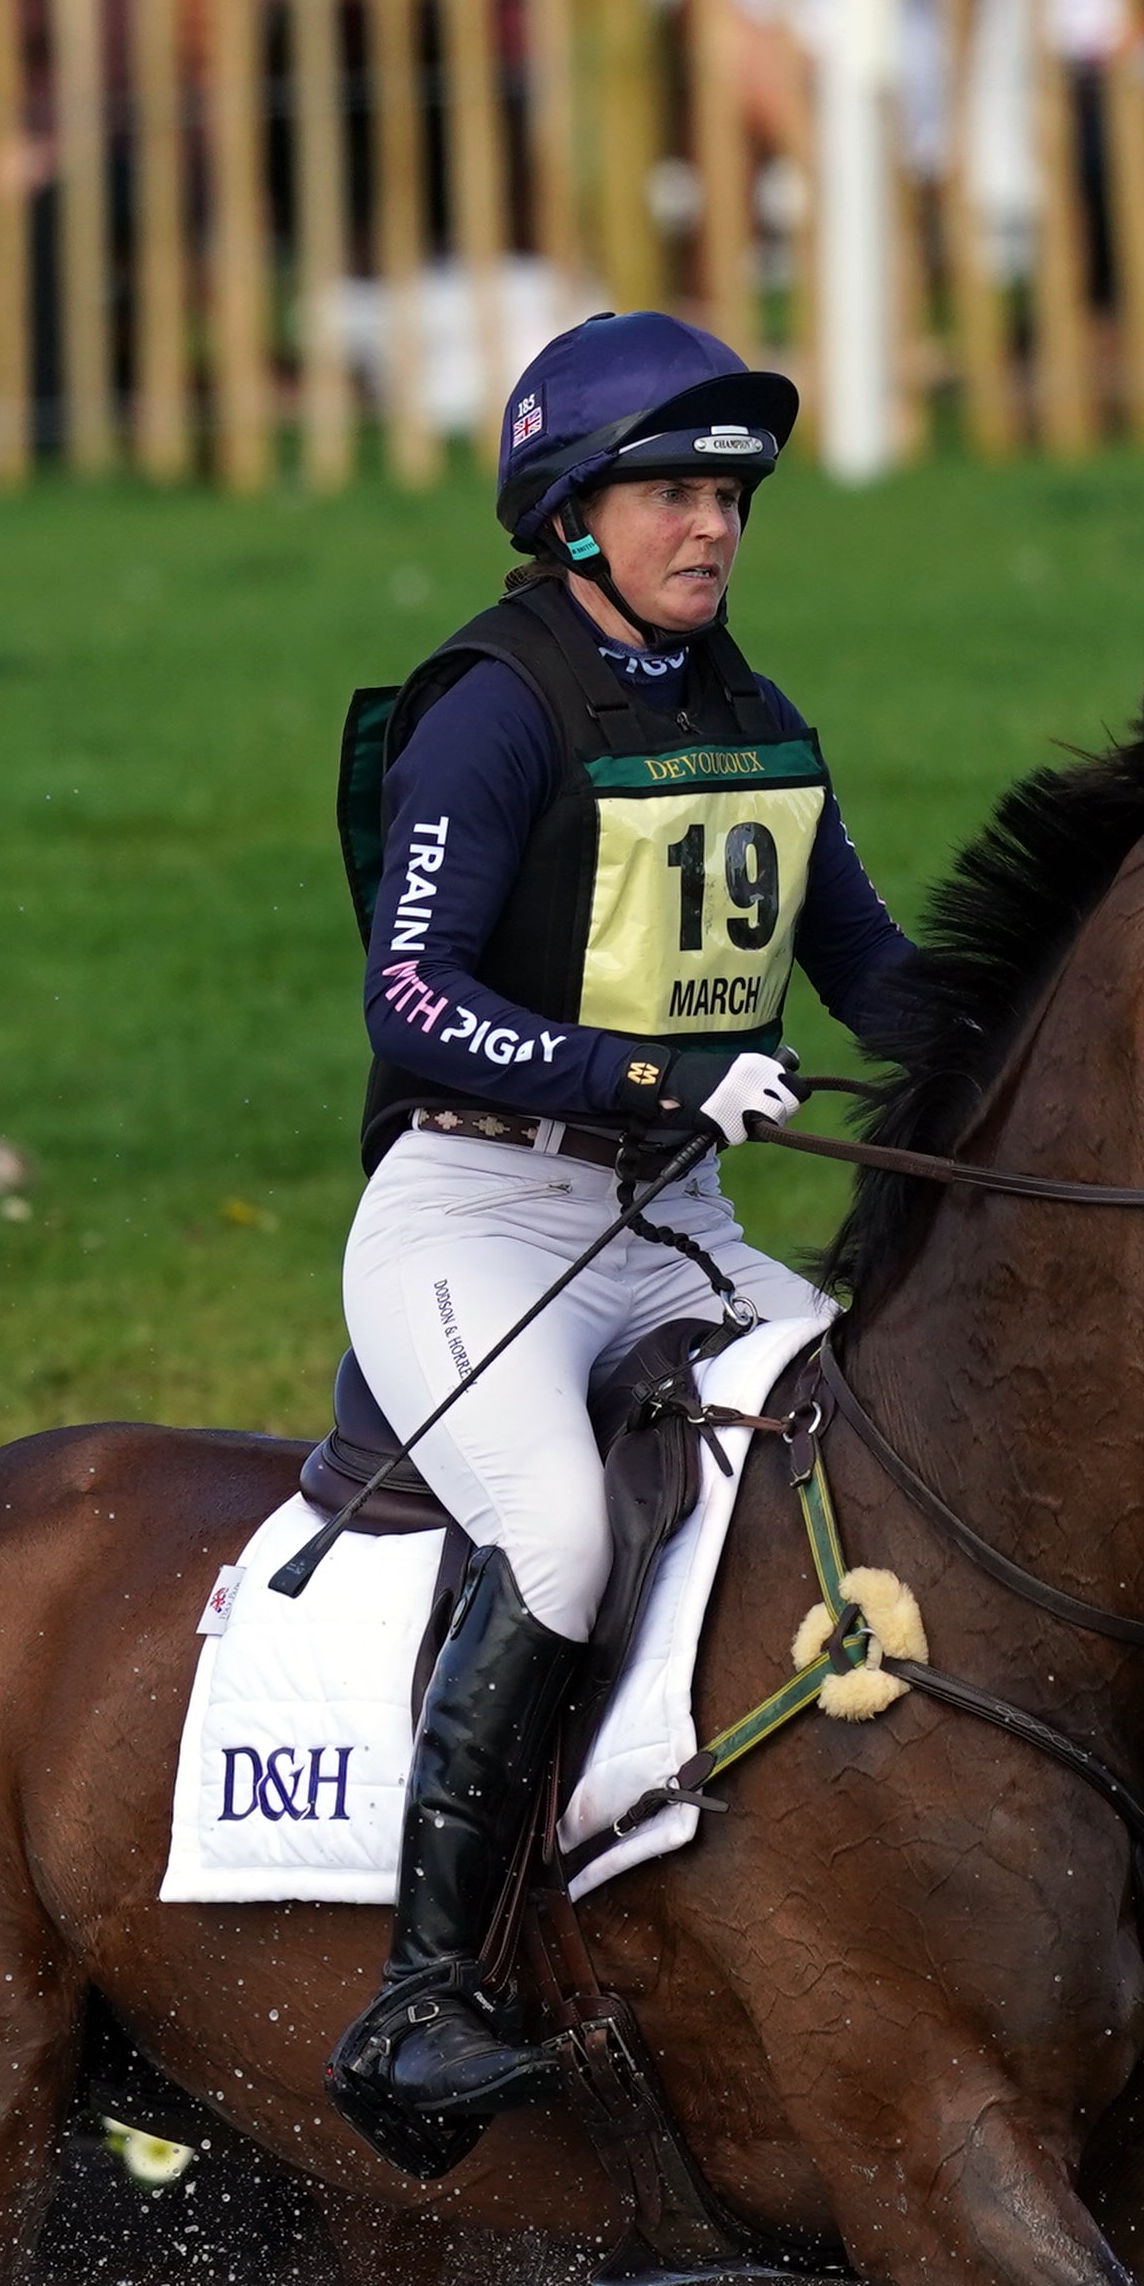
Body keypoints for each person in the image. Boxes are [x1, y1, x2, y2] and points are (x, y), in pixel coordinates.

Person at [322, 308, 932, 2179]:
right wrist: (650, 1068)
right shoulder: (492, 706)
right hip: (475, 1215)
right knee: (566, 1532)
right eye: (672, 491)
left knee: (880, 1457)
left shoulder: (747, 715)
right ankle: (424, 1993)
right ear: (572, 515)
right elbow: (410, 999)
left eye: (730, 495)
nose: (712, 526)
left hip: (669, 1221)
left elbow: (880, 976)